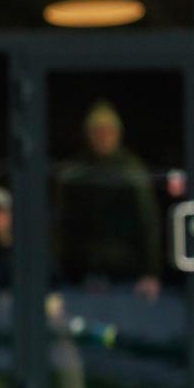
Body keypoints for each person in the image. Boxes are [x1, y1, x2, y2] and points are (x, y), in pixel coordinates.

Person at [54, 101, 161, 299]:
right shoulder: (75, 172)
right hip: (80, 273)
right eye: (97, 131)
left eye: (108, 131)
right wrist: (57, 273)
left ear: (118, 134)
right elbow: (61, 224)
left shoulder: (131, 170)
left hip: (126, 272)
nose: (103, 137)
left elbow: (148, 223)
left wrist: (151, 272)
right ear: (88, 134)